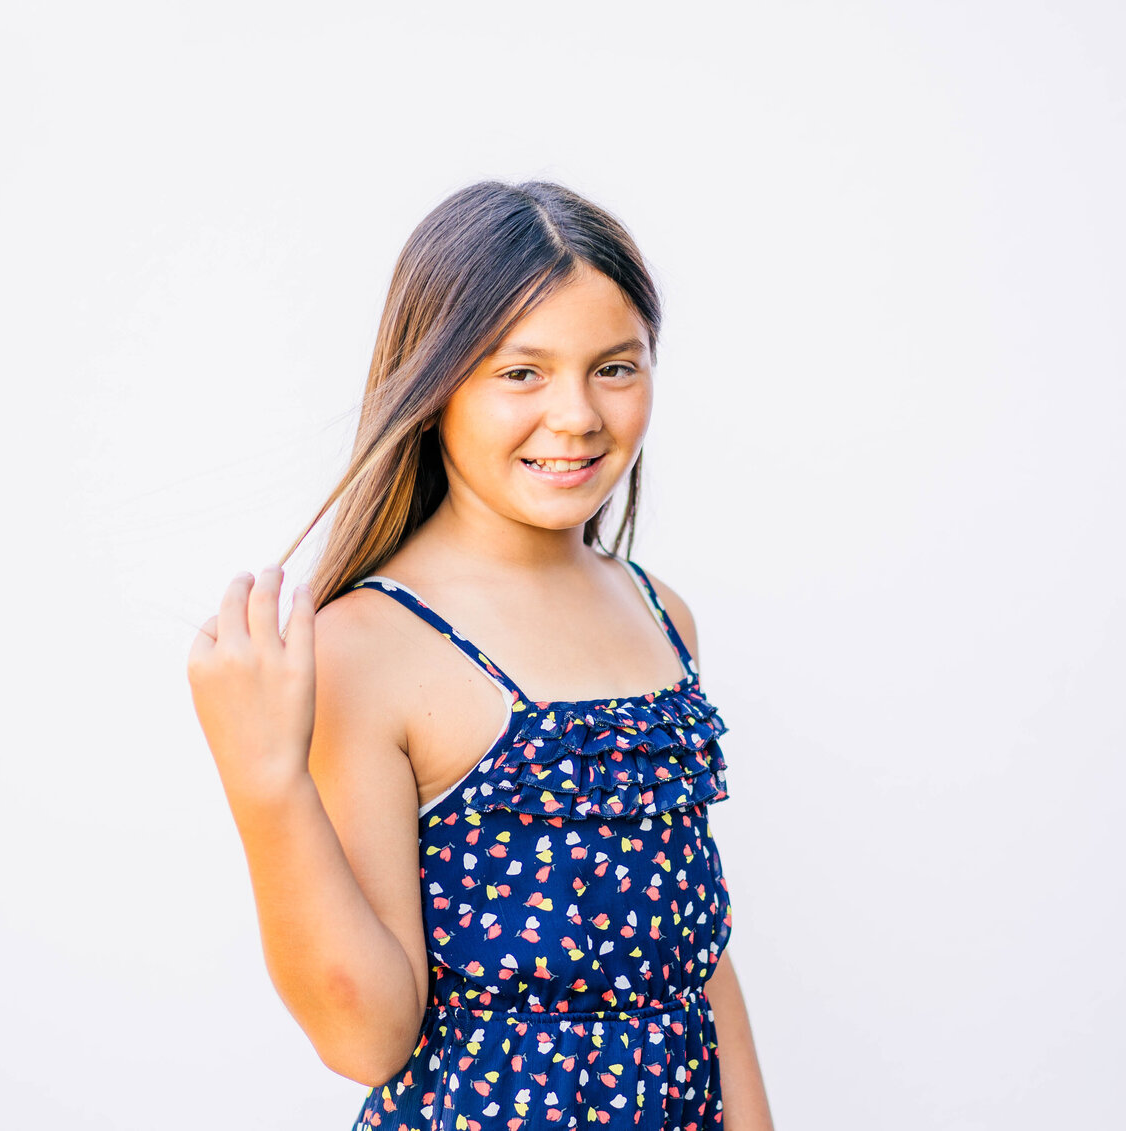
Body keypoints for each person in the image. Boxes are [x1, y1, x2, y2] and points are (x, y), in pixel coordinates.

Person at [187, 180, 774, 1130]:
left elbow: (698, 959)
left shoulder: (661, 614)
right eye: (521, 373)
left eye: (614, 367)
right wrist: (265, 781)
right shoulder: (367, 648)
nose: (577, 415)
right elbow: (368, 1039)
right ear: (433, 387)